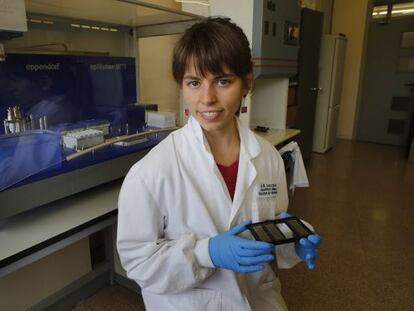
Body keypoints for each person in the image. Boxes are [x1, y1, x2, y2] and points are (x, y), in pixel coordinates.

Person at [117, 17, 321, 311]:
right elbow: (138, 262)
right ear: (182, 86)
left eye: (223, 81)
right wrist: (205, 253)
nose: (207, 98)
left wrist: (294, 241)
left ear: (247, 84)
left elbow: (270, 225)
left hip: (259, 300)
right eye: (194, 83)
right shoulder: (151, 172)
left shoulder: (268, 158)